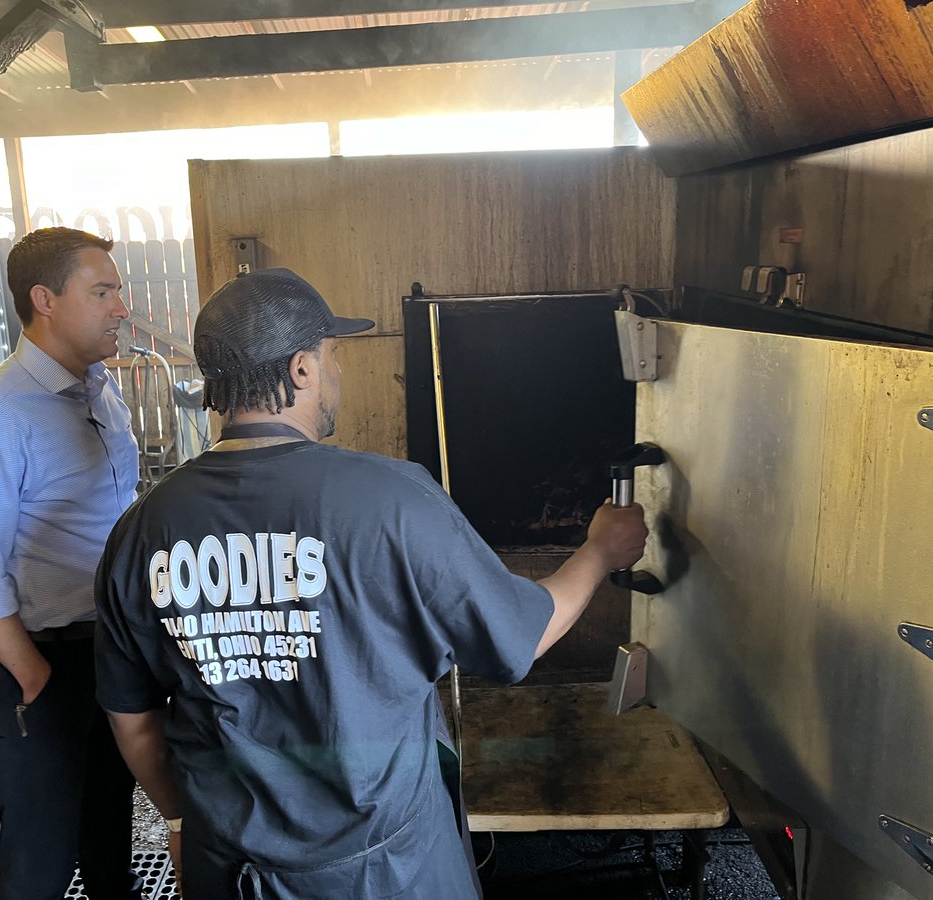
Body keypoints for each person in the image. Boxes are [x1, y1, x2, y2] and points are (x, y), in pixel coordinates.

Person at [93, 267, 648, 899]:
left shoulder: (142, 529)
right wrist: (601, 552)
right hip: (387, 871)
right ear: (301, 369)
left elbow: (132, 717)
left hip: (233, 868)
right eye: (331, 357)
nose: (336, 374)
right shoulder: (391, 499)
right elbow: (524, 632)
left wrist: (182, 819)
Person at [0, 227, 143, 900]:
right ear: (44, 300)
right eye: (102, 291)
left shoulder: (99, 391)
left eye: (118, 291)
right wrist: (34, 676)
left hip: (105, 649)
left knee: (108, 823)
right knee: (40, 855)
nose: (120, 308)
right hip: (35, 658)